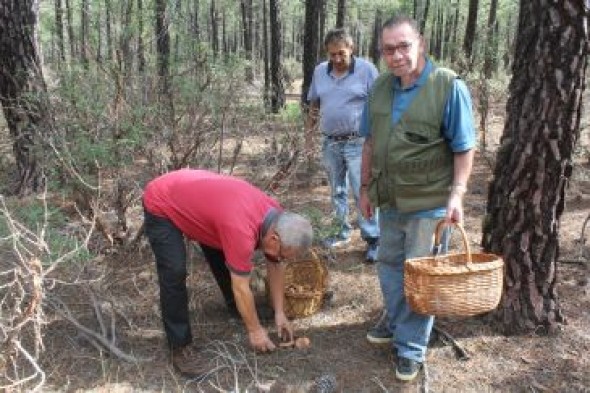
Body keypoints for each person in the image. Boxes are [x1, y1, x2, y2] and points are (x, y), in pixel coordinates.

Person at [359, 16, 476, 382]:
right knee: (389, 265)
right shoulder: (379, 88)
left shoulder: (447, 86)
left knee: (421, 275)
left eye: (403, 46)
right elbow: (370, 142)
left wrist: (457, 195)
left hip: (430, 205)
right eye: (388, 49)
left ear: (420, 43)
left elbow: (464, 147)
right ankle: (397, 324)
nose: (396, 56)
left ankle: (411, 348)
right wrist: (364, 189)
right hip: (389, 200)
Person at [142, 169, 313, 378]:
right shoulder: (241, 229)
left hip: (206, 207)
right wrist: (255, 331)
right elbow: (241, 286)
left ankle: (237, 309)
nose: (283, 259)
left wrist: (280, 312)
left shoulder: (277, 216)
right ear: (274, 239)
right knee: (174, 272)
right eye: (284, 254)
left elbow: (275, 264)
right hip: (162, 200)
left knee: (228, 249)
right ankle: (180, 347)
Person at [305, 27, 380, 262]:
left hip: (358, 142)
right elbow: (314, 105)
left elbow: (380, 106)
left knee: (362, 190)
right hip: (330, 142)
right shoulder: (320, 72)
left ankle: (373, 239)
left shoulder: (367, 70)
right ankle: (341, 231)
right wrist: (309, 136)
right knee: (336, 191)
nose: (337, 59)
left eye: (341, 54)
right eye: (332, 55)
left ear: (351, 49)